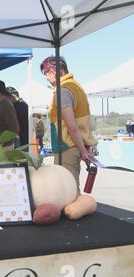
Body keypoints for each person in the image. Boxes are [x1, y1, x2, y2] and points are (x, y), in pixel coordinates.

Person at [40, 56, 98, 193]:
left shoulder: (63, 90)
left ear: (53, 72)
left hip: (67, 145)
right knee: (69, 185)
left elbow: (71, 125)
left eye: (45, 74)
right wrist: (83, 147)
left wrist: (83, 151)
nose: (46, 78)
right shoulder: (76, 86)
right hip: (77, 144)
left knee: (67, 188)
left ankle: (72, 213)